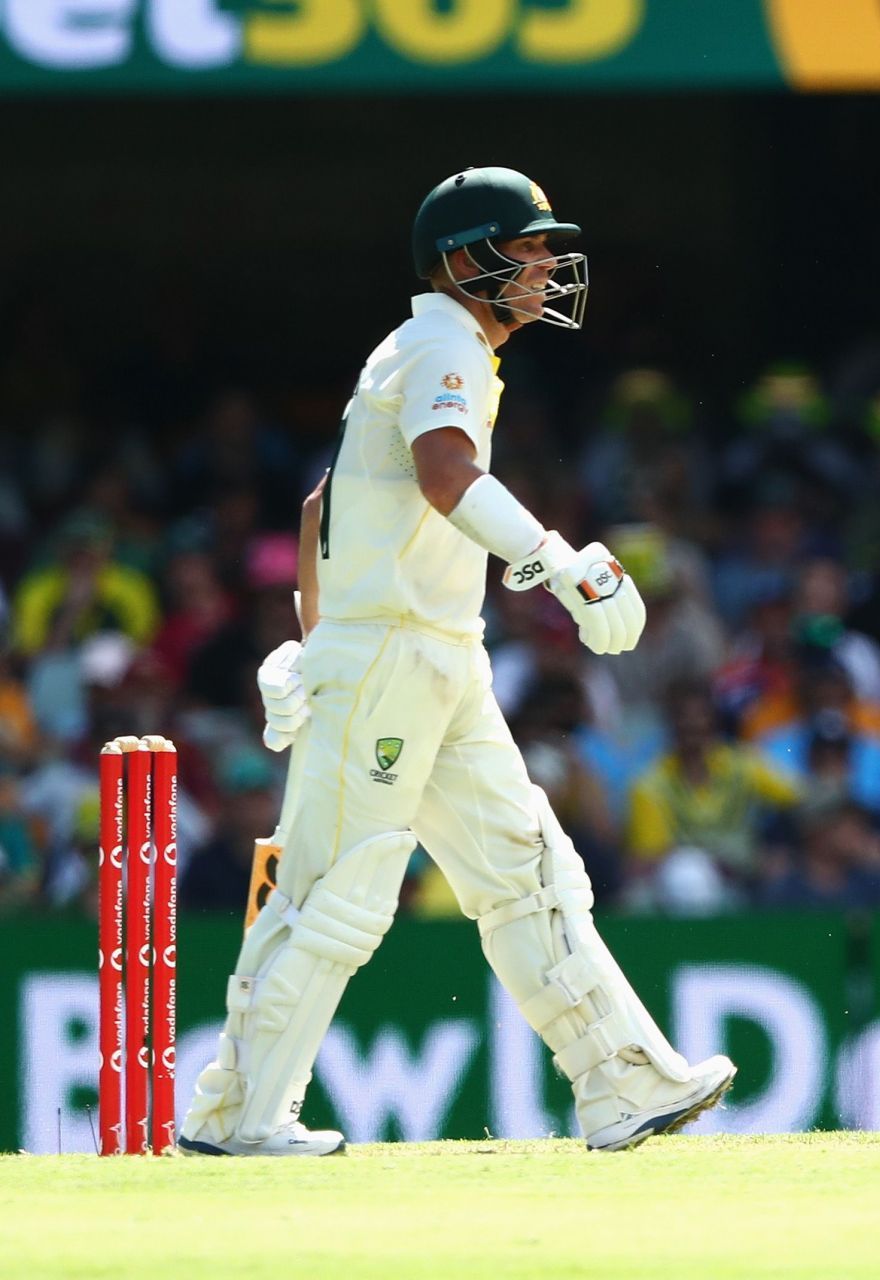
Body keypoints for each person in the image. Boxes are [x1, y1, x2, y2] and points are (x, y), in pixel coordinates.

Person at [177, 167, 735, 1158]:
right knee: (338, 890)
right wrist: (560, 568)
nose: (544, 267)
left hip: (434, 656)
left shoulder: (432, 346)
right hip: (394, 653)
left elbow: (322, 509)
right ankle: (237, 1117)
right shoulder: (442, 340)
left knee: (528, 870)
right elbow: (445, 476)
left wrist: (315, 635)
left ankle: (620, 1083)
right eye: (524, 250)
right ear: (467, 259)